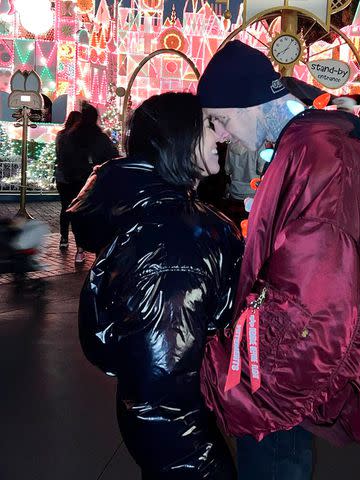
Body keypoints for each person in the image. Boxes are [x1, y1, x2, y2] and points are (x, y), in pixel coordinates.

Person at [197, 41, 360, 479]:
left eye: (220, 119)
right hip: (281, 380)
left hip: (277, 391)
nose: (220, 134)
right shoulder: (306, 147)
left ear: (251, 103)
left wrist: (234, 385)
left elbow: (314, 315)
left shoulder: (318, 159)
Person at [68, 93, 242, 480]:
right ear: (177, 139)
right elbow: (158, 395)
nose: (224, 135)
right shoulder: (175, 241)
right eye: (212, 126)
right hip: (180, 445)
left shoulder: (166, 219)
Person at [59, 102, 118, 263]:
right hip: (95, 182)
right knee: (98, 215)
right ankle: (99, 252)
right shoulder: (101, 138)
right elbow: (113, 157)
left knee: (77, 215)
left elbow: (64, 158)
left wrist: (69, 174)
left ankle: (79, 249)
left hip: (74, 182)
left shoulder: (72, 136)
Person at [55, 110, 82, 251]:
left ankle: (64, 238)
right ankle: (79, 245)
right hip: (76, 178)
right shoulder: (78, 138)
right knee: (76, 209)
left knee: (65, 208)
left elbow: (58, 155)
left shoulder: (60, 135)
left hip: (62, 177)